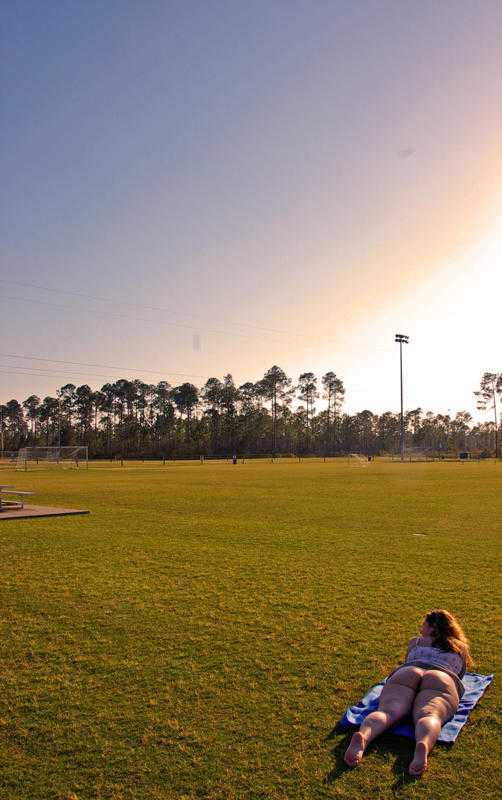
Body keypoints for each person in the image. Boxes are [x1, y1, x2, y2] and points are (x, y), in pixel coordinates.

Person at [344, 609, 472, 776]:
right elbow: (460, 675)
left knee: (387, 712)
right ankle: (423, 744)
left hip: (409, 671)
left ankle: (364, 735)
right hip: (441, 677)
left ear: (433, 628)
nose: (421, 628)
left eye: (424, 625)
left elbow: (407, 661)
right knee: (430, 715)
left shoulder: (416, 642)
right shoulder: (460, 647)